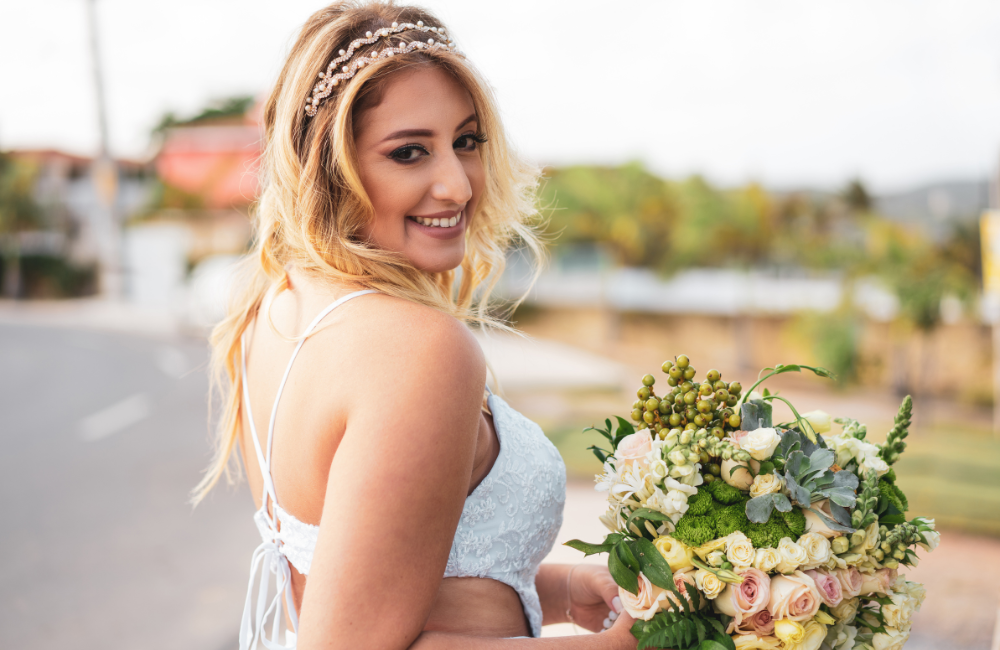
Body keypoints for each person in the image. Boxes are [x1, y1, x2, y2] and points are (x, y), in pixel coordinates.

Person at [193, 2, 637, 648]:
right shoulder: (418, 349)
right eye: (409, 153)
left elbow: (361, 579)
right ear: (329, 166)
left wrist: (559, 590)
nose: (456, 186)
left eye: (466, 142)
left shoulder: (283, 306)